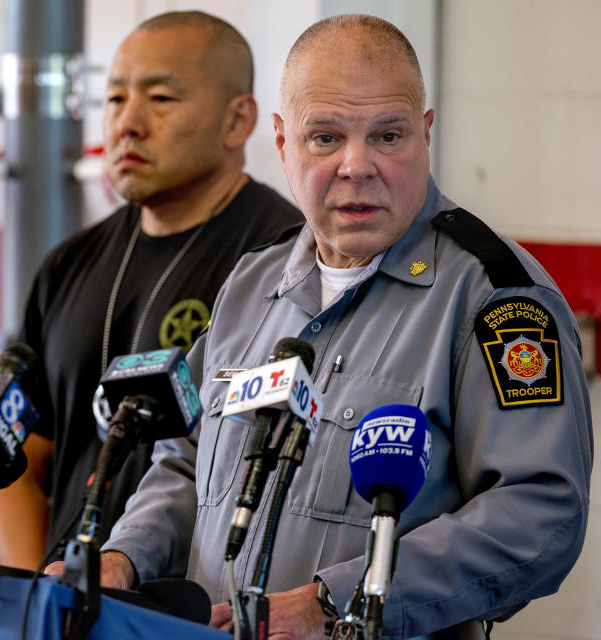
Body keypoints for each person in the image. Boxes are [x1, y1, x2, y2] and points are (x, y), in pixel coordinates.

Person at [75, 14, 593, 639]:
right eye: (324, 138)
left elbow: (539, 515)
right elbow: (186, 459)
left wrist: (334, 603)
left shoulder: (495, 297)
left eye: (388, 136)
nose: (357, 165)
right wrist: (122, 557)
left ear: (426, 134)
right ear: (282, 141)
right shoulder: (251, 285)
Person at [0, 11, 303, 570]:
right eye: (113, 99)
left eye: (159, 99)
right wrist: (36, 599)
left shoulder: (283, 262)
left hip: (191, 607)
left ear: (237, 122)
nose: (127, 123)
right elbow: (16, 460)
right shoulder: (68, 263)